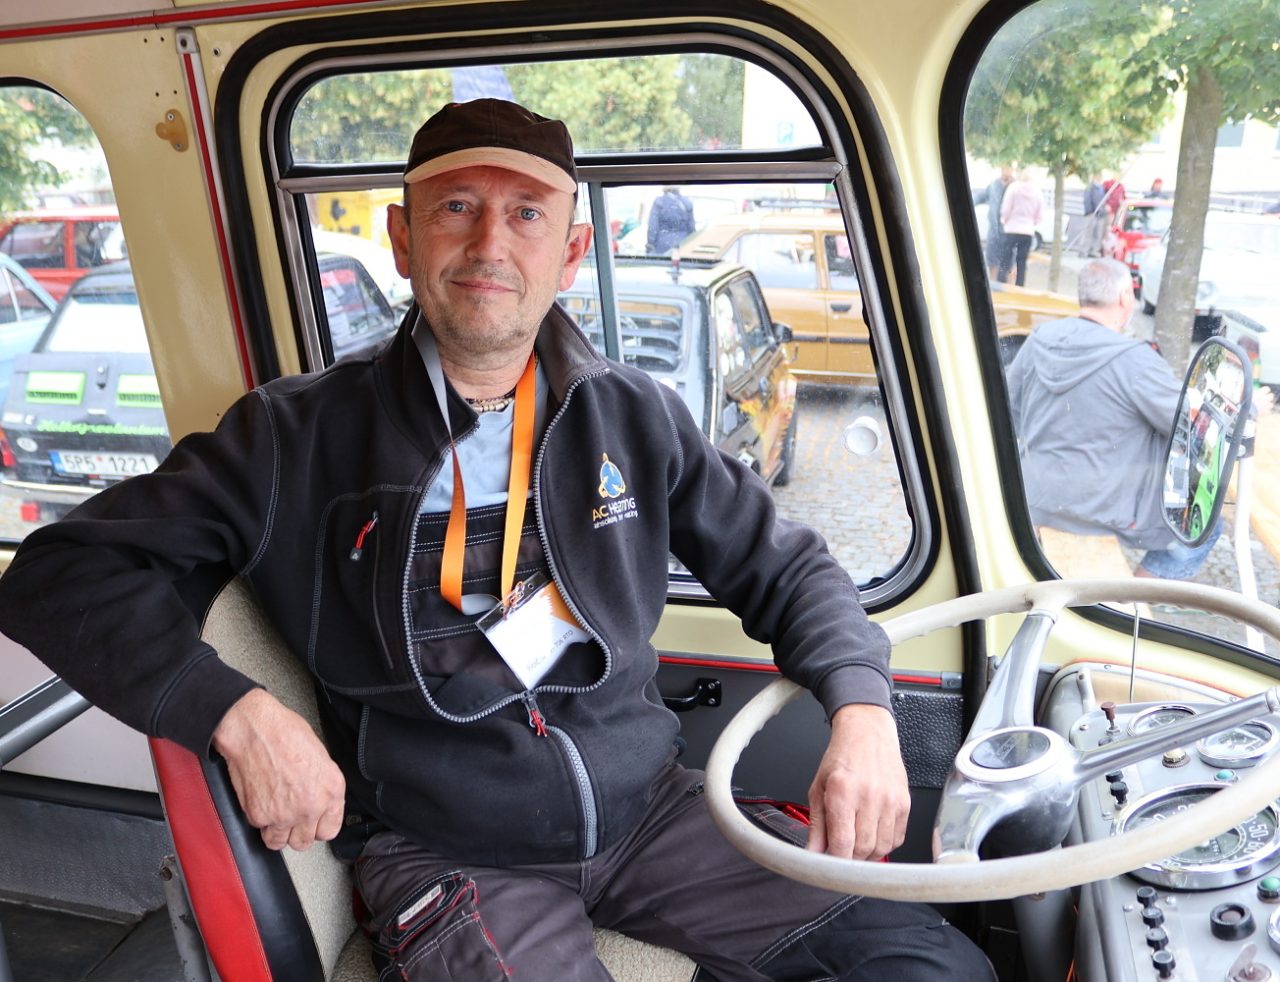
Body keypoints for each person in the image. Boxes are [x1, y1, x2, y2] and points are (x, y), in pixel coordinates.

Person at [0, 99, 992, 981]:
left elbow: (789, 567)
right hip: (449, 851)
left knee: (930, 961)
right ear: (403, 238)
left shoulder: (632, 414)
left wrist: (861, 709)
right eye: (456, 207)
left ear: (570, 251)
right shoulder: (292, 437)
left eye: (525, 214)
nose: (489, 245)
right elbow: (57, 573)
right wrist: (237, 711)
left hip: (652, 814)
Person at [1006, 257, 1219, 579]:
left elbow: (1011, 409)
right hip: (1099, 511)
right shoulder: (1135, 360)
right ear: (1124, 297)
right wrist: (1248, 407)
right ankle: (1130, 599)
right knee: (1204, 526)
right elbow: (1191, 426)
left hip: (1034, 497)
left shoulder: (1038, 339)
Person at [998, 169, 1042, 286]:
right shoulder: (1037, 191)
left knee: (1005, 260)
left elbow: (1006, 208)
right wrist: (1032, 223)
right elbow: (1040, 214)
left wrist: (1004, 220)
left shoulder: (1013, 188)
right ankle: (1020, 286)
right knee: (1022, 262)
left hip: (1011, 229)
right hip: (1027, 231)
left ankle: (1001, 285)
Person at [973, 165, 1012, 279]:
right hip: (994, 230)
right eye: (1005, 168)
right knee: (992, 260)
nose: (1006, 171)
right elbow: (979, 197)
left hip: (1009, 231)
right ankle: (993, 285)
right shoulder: (993, 185)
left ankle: (1009, 287)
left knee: (1010, 263)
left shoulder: (1015, 186)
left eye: (1009, 168)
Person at [645, 185, 696, 253]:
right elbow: (691, 228)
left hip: (662, 243)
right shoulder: (687, 202)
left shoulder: (659, 201)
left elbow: (653, 226)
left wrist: (650, 244)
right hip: (683, 243)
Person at [1082, 174, 1107, 257]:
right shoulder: (1090, 187)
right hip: (1092, 214)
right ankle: (1084, 251)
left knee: (1097, 234)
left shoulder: (1101, 188)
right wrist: (1090, 212)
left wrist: (1102, 212)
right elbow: (1087, 200)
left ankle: (1094, 251)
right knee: (1088, 234)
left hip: (1100, 215)